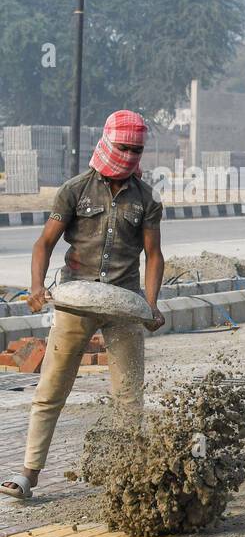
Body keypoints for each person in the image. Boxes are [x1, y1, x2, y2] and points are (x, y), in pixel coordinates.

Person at [1, 110, 166, 501]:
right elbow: (44, 243)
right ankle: (29, 474)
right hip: (75, 300)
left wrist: (152, 305)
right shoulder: (74, 190)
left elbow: (154, 256)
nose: (129, 155)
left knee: (128, 396)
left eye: (137, 150)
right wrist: (37, 286)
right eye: (124, 147)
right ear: (109, 143)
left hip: (124, 305)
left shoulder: (147, 199)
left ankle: (128, 475)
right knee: (51, 389)